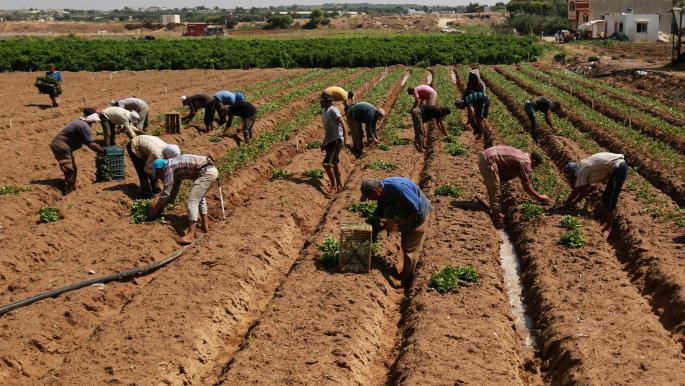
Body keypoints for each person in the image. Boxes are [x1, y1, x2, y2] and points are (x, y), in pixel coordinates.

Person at [361, 177, 432, 289]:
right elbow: (380, 211)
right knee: (404, 244)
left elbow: (417, 207)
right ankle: (405, 273)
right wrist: (372, 228)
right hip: (408, 211)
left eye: (369, 197)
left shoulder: (397, 188)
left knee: (411, 249)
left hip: (419, 214)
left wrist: (402, 223)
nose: (370, 200)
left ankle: (406, 283)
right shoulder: (382, 191)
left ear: (376, 191)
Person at [148, 154, 219, 245]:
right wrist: (162, 208)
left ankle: (190, 235)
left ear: (159, 170)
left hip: (206, 172)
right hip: (209, 170)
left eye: (158, 175)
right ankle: (205, 227)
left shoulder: (168, 167)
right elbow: (173, 192)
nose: (160, 179)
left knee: (192, 201)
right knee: (199, 198)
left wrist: (155, 210)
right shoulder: (175, 167)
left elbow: (166, 194)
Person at [478, 146, 550, 228]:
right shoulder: (526, 162)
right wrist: (539, 197)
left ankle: (495, 211)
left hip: (486, 155)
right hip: (488, 160)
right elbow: (526, 186)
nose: (533, 168)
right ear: (533, 161)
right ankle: (497, 219)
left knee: (495, 187)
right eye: (535, 166)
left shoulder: (523, 154)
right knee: (495, 190)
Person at [564, 153, 628, 235]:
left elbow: (577, 190)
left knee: (610, 199)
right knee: (605, 197)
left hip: (618, 167)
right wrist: (574, 203)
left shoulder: (580, 171)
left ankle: (609, 228)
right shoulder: (582, 166)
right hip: (615, 167)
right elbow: (584, 191)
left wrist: (567, 202)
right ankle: (605, 224)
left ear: (573, 172)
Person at [49, 109, 105, 194]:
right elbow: (91, 144)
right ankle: (69, 191)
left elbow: (89, 142)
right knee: (70, 170)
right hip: (61, 146)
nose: (94, 122)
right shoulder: (83, 126)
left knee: (73, 169)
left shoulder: (81, 123)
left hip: (65, 146)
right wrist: (102, 151)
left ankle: (73, 189)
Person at [319, 93, 347, 195]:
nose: (320, 102)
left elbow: (342, 123)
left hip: (336, 140)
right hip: (329, 141)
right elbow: (327, 129)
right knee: (334, 164)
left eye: (322, 100)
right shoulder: (324, 113)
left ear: (327, 101)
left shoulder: (333, 110)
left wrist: (345, 138)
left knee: (326, 164)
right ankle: (339, 185)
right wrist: (323, 143)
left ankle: (333, 187)